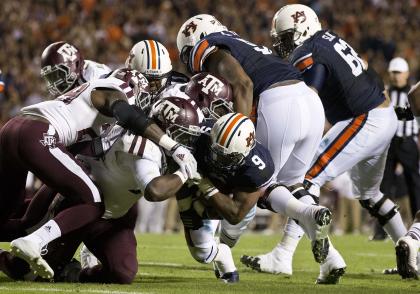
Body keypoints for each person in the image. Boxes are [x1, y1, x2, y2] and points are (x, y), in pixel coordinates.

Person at [241, 4, 404, 284]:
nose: (282, 42)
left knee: (307, 177)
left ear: (303, 29)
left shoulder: (309, 52)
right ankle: (410, 252)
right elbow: (366, 69)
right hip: (382, 113)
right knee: (369, 194)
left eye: (287, 36)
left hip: (365, 118)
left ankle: (284, 254)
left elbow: (310, 98)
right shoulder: (328, 38)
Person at [5, 59, 198, 279]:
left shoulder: (106, 119)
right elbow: (153, 187)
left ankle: (62, 261)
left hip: (115, 209)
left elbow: (79, 145)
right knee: (84, 203)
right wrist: (177, 155)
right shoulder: (121, 104)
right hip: (56, 155)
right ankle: (36, 241)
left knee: (122, 272)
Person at [176, 14, 329, 266]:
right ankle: (330, 259)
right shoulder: (240, 43)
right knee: (292, 187)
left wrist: (235, 128)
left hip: (279, 102)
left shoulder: (208, 47)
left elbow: (244, 84)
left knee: (258, 183)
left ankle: (225, 247)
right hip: (309, 101)